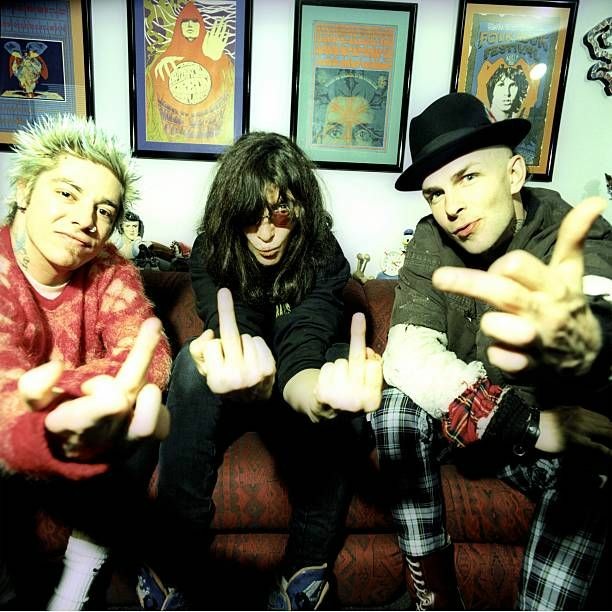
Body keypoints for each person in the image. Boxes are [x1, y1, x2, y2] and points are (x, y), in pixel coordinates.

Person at [371, 92, 612, 610]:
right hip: (490, 426)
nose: (450, 206)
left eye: (469, 178)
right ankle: (435, 599)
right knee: (393, 409)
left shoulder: (576, 233)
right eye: (434, 193)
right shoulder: (431, 239)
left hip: (554, 443)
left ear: (515, 173)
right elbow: (407, 351)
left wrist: (585, 336)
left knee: (597, 463)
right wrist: (520, 422)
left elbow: (596, 306)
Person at [136, 131, 383, 610]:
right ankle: (174, 562)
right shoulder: (214, 249)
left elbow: (303, 344)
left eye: (282, 214)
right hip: (237, 382)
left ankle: (303, 572)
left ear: (303, 212)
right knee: (192, 362)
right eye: (251, 217)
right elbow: (238, 330)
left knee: (340, 370)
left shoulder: (324, 256)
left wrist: (320, 396)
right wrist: (244, 374)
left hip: (293, 389)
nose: (267, 233)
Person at [0, 113, 172, 610]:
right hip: (13, 452)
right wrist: (53, 412)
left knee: (137, 405)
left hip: (95, 457)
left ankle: (75, 589)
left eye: (104, 210)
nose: (85, 220)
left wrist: (87, 396)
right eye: (67, 194)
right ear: (25, 191)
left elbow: (150, 354)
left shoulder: (108, 268)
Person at [147, 0, 235, 144]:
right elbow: (148, 94)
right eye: (185, 21)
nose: (189, 25)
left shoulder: (215, 55)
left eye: (194, 21)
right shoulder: (163, 60)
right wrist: (154, 69)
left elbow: (231, 86)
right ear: (178, 25)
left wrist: (218, 60)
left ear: (201, 26)